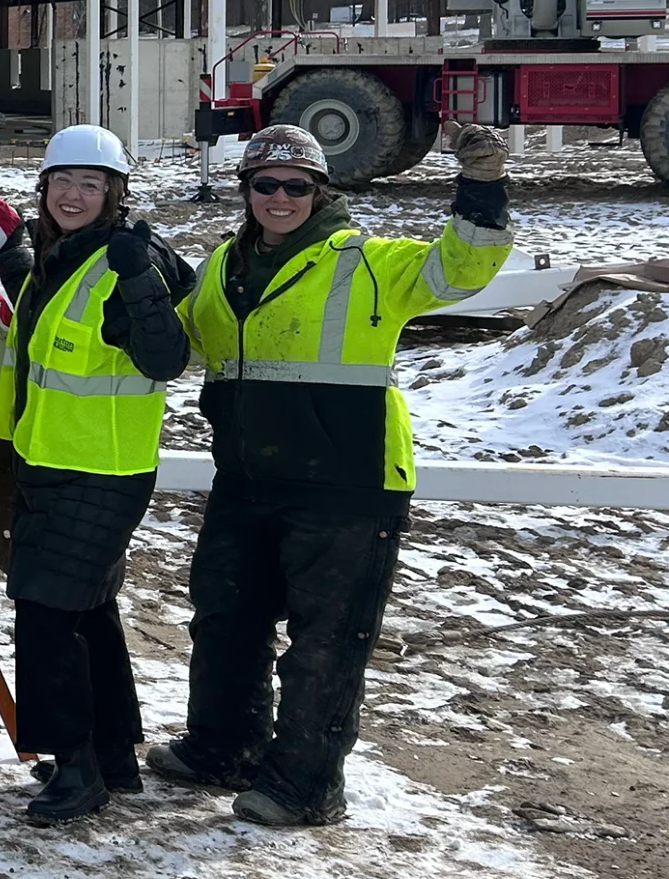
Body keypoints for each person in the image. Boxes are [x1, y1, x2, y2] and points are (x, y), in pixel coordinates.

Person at [150, 121, 514, 827]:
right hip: (249, 478)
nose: (279, 198)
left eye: (296, 186)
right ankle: (223, 749)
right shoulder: (224, 266)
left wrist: (482, 185)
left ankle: (307, 786)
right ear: (246, 189)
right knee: (225, 621)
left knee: (324, 643)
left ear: (320, 192)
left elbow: (460, 269)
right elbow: (183, 346)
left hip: (348, 485)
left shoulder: (368, 261)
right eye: (265, 184)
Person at [0, 125, 193, 827]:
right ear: (44, 190)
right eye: (62, 183)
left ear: (114, 194)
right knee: (88, 612)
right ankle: (112, 754)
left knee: (46, 615)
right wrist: (12, 260)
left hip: (101, 469)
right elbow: (49, 313)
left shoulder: (129, 260)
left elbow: (166, 358)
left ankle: (75, 767)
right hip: (49, 460)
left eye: (90, 184)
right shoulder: (63, 256)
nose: (73, 195)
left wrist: (139, 276)